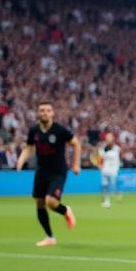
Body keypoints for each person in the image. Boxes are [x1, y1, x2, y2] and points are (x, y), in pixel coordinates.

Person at [16, 100, 80, 247]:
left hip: (58, 172)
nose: (44, 113)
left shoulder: (59, 130)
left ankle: (65, 211)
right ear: (38, 113)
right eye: (42, 110)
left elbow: (76, 143)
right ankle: (50, 237)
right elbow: (29, 148)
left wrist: (76, 164)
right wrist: (21, 159)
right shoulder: (34, 131)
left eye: (47, 110)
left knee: (50, 202)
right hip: (41, 172)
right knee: (39, 203)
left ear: (52, 113)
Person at [97, 131, 122, 208]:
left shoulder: (117, 149)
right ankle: (107, 201)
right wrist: (99, 165)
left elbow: (119, 158)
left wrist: (118, 166)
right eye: (107, 138)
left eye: (110, 138)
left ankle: (116, 195)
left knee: (112, 186)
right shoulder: (102, 149)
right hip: (105, 170)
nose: (109, 140)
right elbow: (100, 159)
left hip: (114, 171)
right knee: (104, 185)